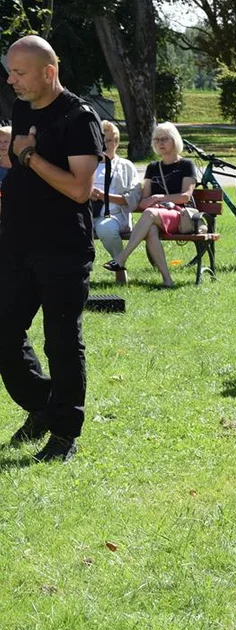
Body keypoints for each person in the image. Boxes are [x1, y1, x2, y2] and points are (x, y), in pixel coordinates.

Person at [0, 34, 104, 462]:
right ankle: (45, 406)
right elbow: (14, 159)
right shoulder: (23, 108)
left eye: (19, 73)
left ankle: (64, 433)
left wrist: (30, 157)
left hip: (63, 248)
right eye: (9, 71)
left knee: (61, 341)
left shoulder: (80, 118)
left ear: (49, 72)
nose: (11, 81)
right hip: (16, 244)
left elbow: (81, 189)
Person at [102, 122, 196, 287]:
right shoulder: (152, 167)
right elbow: (143, 202)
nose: (160, 143)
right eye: (156, 139)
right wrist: (151, 201)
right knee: (151, 230)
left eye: (164, 139)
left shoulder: (186, 165)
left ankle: (122, 258)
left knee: (149, 215)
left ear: (174, 140)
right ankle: (168, 280)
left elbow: (185, 197)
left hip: (179, 215)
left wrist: (160, 198)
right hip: (156, 216)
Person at [89, 120, 139, 263]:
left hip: (114, 215)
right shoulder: (88, 165)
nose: (104, 144)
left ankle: (119, 265)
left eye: (109, 140)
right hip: (88, 214)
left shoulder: (125, 166)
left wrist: (103, 196)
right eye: (101, 140)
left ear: (116, 142)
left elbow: (133, 198)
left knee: (106, 229)